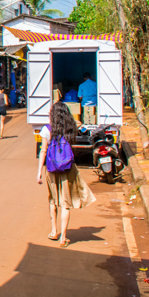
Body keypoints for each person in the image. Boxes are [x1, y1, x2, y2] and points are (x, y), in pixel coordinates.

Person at [36, 102, 95, 247]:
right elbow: (81, 124)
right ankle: (63, 238)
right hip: (68, 167)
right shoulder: (70, 128)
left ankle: (54, 231)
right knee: (65, 202)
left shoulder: (47, 129)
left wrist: (39, 172)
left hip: (51, 168)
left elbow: (43, 151)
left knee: (53, 199)